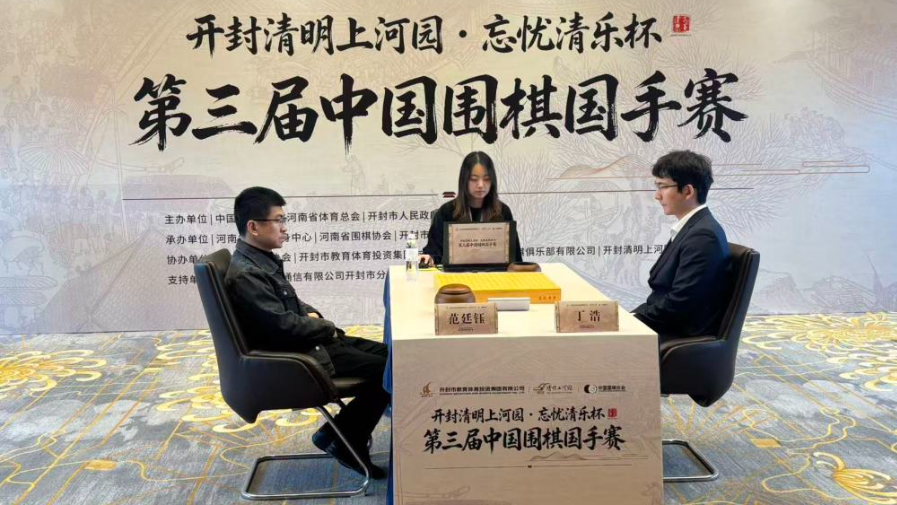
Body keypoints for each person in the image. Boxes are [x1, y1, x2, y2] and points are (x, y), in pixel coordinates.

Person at [225, 187, 389, 479]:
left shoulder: (259, 261)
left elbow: (292, 305)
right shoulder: (247, 274)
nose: (284, 227)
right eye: (278, 220)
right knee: (392, 369)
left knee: (393, 355)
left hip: (310, 344)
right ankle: (345, 438)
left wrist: (317, 319)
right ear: (253, 227)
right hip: (300, 358)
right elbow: (282, 326)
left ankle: (339, 433)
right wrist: (325, 326)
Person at [632, 151, 731, 345]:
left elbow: (679, 304)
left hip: (678, 337)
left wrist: (631, 320)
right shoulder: (693, 227)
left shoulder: (703, 236)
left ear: (687, 191)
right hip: (667, 327)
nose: (657, 196)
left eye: (663, 186)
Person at [420, 151, 523, 266]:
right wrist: (429, 258)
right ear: (464, 180)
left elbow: (515, 258)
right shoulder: (447, 211)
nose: (481, 185)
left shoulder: (502, 211)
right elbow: (434, 252)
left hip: (495, 275)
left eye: (486, 179)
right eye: (474, 179)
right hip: (456, 276)